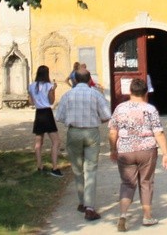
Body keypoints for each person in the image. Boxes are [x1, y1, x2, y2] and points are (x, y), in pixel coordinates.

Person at [109, 77, 167, 232]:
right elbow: (159, 133)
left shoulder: (120, 108)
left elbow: (112, 131)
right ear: (145, 93)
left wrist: (113, 150)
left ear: (130, 91)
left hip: (125, 150)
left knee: (127, 183)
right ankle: (147, 217)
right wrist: (166, 154)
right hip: (147, 150)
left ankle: (123, 215)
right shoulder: (150, 109)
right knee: (146, 182)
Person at [55, 68, 112, 221]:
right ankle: (90, 207)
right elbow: (107, 115)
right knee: (91, 169)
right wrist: (97, 120)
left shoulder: (68, 95)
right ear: (88, 80)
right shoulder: (95, 94)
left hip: (73, 132)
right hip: (92, 132)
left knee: (77, 168)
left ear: (74, 80)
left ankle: (82, 202)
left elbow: (59, 116)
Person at [28, 65, 63, 177]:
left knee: (39, 142)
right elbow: (51, 101)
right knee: (56, 141)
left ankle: (39, 165)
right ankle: (54, 167)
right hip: (47, 113)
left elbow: (31, 102)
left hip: (38, 113)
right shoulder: (49, 86)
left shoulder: (31, 86)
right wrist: (53, 90)